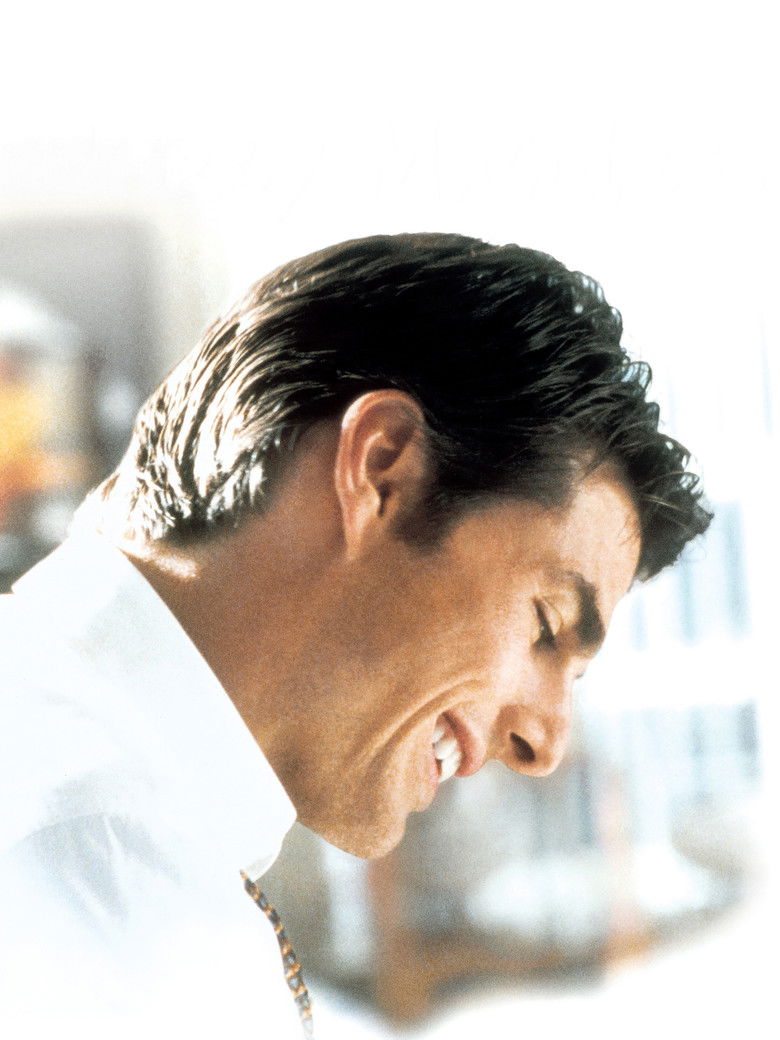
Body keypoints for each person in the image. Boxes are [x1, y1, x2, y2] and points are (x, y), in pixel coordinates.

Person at [0, 233, 710, 1037]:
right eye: (545, 626)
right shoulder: (117, 895)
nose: (544, 742)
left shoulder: (61, 743)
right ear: (382, 469)